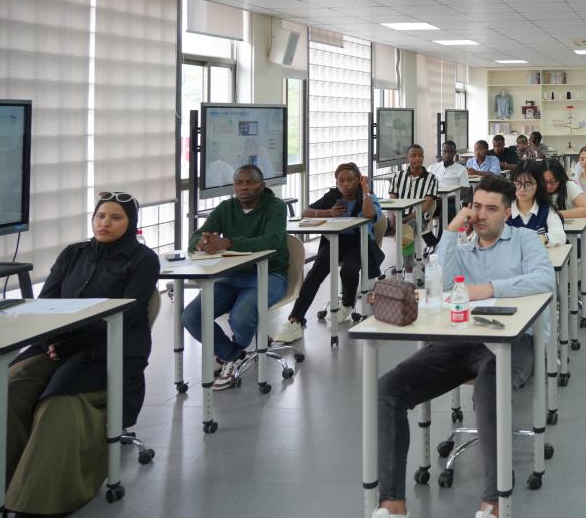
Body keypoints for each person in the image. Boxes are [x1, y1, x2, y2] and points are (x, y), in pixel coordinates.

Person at [372, 175, 555, 518]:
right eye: (476, 206)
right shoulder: (463, 246)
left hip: (514, 342)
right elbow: (439, 283)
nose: (481, 215)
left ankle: (495, 500)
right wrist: (451, 231)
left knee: (490, 388)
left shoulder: (525, 240)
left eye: (491, 208)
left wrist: (488, 288)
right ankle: (392, 503)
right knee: (387, 390)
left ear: (507, 212)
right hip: (461, 341)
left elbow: (545, 279)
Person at [4, 192, 158, 515]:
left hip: (111, 346)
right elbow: (47, 302)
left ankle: (38, 499)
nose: (105, 223)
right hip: (56, 344)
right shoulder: (73, 253)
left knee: (57, 402)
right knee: (11, 386)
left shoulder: (143, 259)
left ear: (131, 223)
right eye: (100, 216)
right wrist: (52, 340)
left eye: (116, 217)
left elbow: (127, 314)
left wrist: (70, 345)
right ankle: (2, 480)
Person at [185, 165, 289, 390]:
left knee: (241, 318)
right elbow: (196, 237)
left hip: (269, 273)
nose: (244, 188)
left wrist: (229, 243)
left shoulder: (276, 207)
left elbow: (271, 241)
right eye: (239, 183)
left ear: (262, 185)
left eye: (250, 182)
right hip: (231, 274)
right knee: (191, 316)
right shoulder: (226, 208)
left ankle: (232, 355)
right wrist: (202, 243)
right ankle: (232, 355)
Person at [274, 163, 383, 343]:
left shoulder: (367, 196)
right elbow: (306, 211)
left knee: (348, 269)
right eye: (341, 181)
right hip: (334, 242)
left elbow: (369, 214)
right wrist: (328, 212)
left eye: (350, 180)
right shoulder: (332, 196)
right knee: (315, 274)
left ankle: (347, 303)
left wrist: (365, 188)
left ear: (358, 180)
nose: (345, 184)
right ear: (336, 182)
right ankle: (295, 319)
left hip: (359, 243)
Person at [389, 143, 439, 255]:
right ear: (407, 158)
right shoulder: (398, 176)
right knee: (375, 226)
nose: (417, 158)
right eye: (413, 155)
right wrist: (392, 216)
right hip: (399, 215)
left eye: (420, 155)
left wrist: (406, 219)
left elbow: (425, 206)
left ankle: (409, 263)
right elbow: (392, 201)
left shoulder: (432, 179)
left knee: (409, 227)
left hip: (419, 216)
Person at [507, 160, 567, 246]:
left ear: (538, 185)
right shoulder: (504, 208)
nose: (522, 189)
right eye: (518, 183)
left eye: (528, 184)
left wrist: (543, 238)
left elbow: (560, 236)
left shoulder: (546, 209)